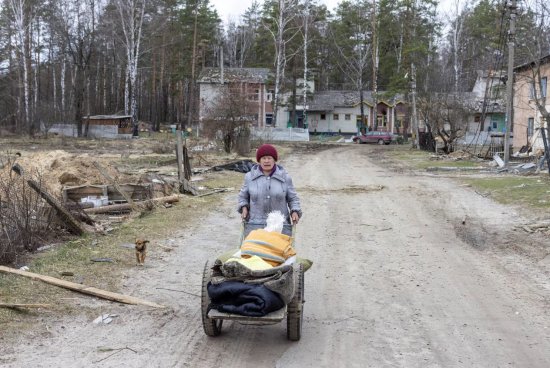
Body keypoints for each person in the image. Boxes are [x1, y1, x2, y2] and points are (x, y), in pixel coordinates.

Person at [238, 144, 302, 227]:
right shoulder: (249, 177)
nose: (266, 161)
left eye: (269, 158)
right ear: (259, 160)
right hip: (255, 225)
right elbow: (243, 197)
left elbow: (293, 199)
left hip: (279, 225)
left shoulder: (285, 178)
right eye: (263, 158)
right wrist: (244, 207)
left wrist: (295, 211)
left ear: (274, 160)